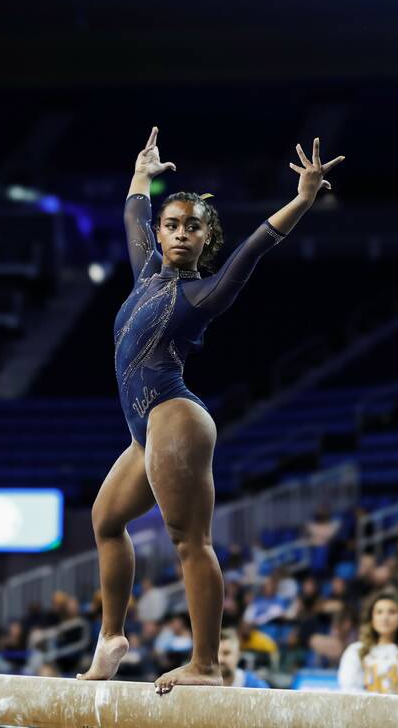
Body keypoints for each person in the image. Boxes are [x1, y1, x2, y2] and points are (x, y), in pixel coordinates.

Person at [78, 127, 343, 694]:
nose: (179, 233)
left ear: (204, 240)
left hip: (174, 416)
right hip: (145, 431)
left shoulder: (202, 293)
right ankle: (112, 638)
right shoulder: (147, 274)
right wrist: (141, 175)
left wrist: (301, 197)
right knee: (105, 522)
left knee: (188, 541)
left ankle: (206, 663)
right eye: (171, 225)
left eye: (192, 227)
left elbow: (258, 245)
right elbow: (133, 214)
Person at [337, 592, 398, 696]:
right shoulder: (355, 651)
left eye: (392, 612)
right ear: (371, 618)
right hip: (365, 711)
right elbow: (349, 689)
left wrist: (394, 708)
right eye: (379, 612)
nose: (385, 618)